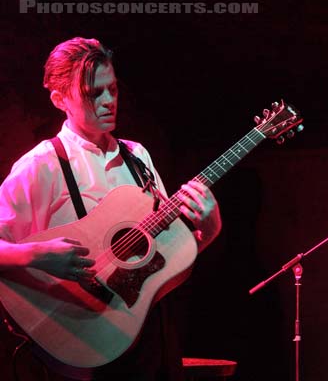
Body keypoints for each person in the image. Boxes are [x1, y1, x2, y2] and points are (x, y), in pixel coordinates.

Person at [0, 37, 221, 380]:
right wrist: (37, 255)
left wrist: (208, 228)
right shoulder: (40, 166)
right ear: (60, 100)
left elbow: (165, 260)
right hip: (77, 338)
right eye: (93, 94)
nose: (108, 102)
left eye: (113, 89)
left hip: (146, 338)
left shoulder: (138, 158)